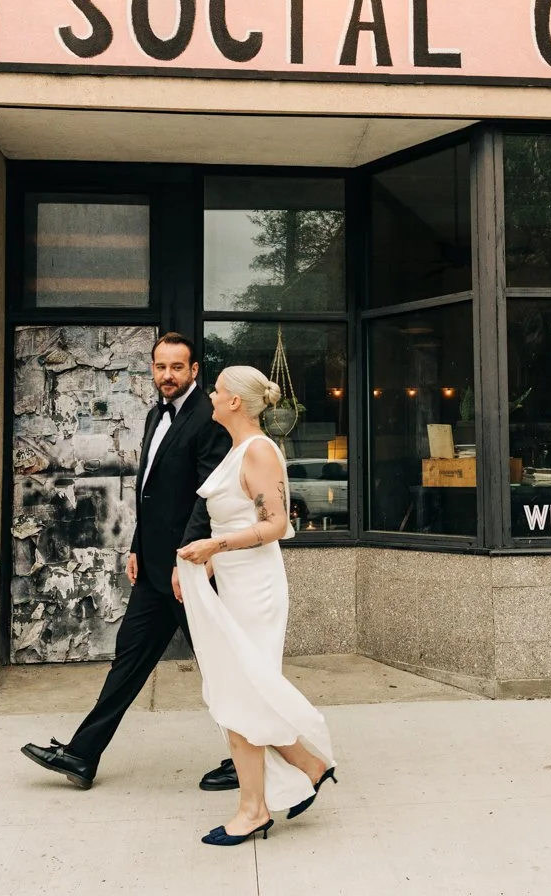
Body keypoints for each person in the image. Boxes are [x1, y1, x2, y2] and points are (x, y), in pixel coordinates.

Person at [20, 333, 237, 792]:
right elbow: (151, 494)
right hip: (155, 570)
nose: (167, 376)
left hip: (187, 570)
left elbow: (208, 497)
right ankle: (81, 755)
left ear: (195, 370)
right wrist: (137, 546)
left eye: (177, 367)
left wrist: (187, 562)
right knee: (129, 660)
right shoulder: (157, 414)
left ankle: (250, 757)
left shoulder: (208, 418)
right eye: (161, 367)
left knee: (221, 667)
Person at [175, 365, 337, 847]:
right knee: (241, 692)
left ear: (235, 403)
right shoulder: (237, 450)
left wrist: (213, 547)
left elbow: (276, 527)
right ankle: (310, 766)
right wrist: (204, 568)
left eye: (217, 389)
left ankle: (253, 810)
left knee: (239, 696)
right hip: (233, 582)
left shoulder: (261, 452)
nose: (210, 394)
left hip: (256, 590)